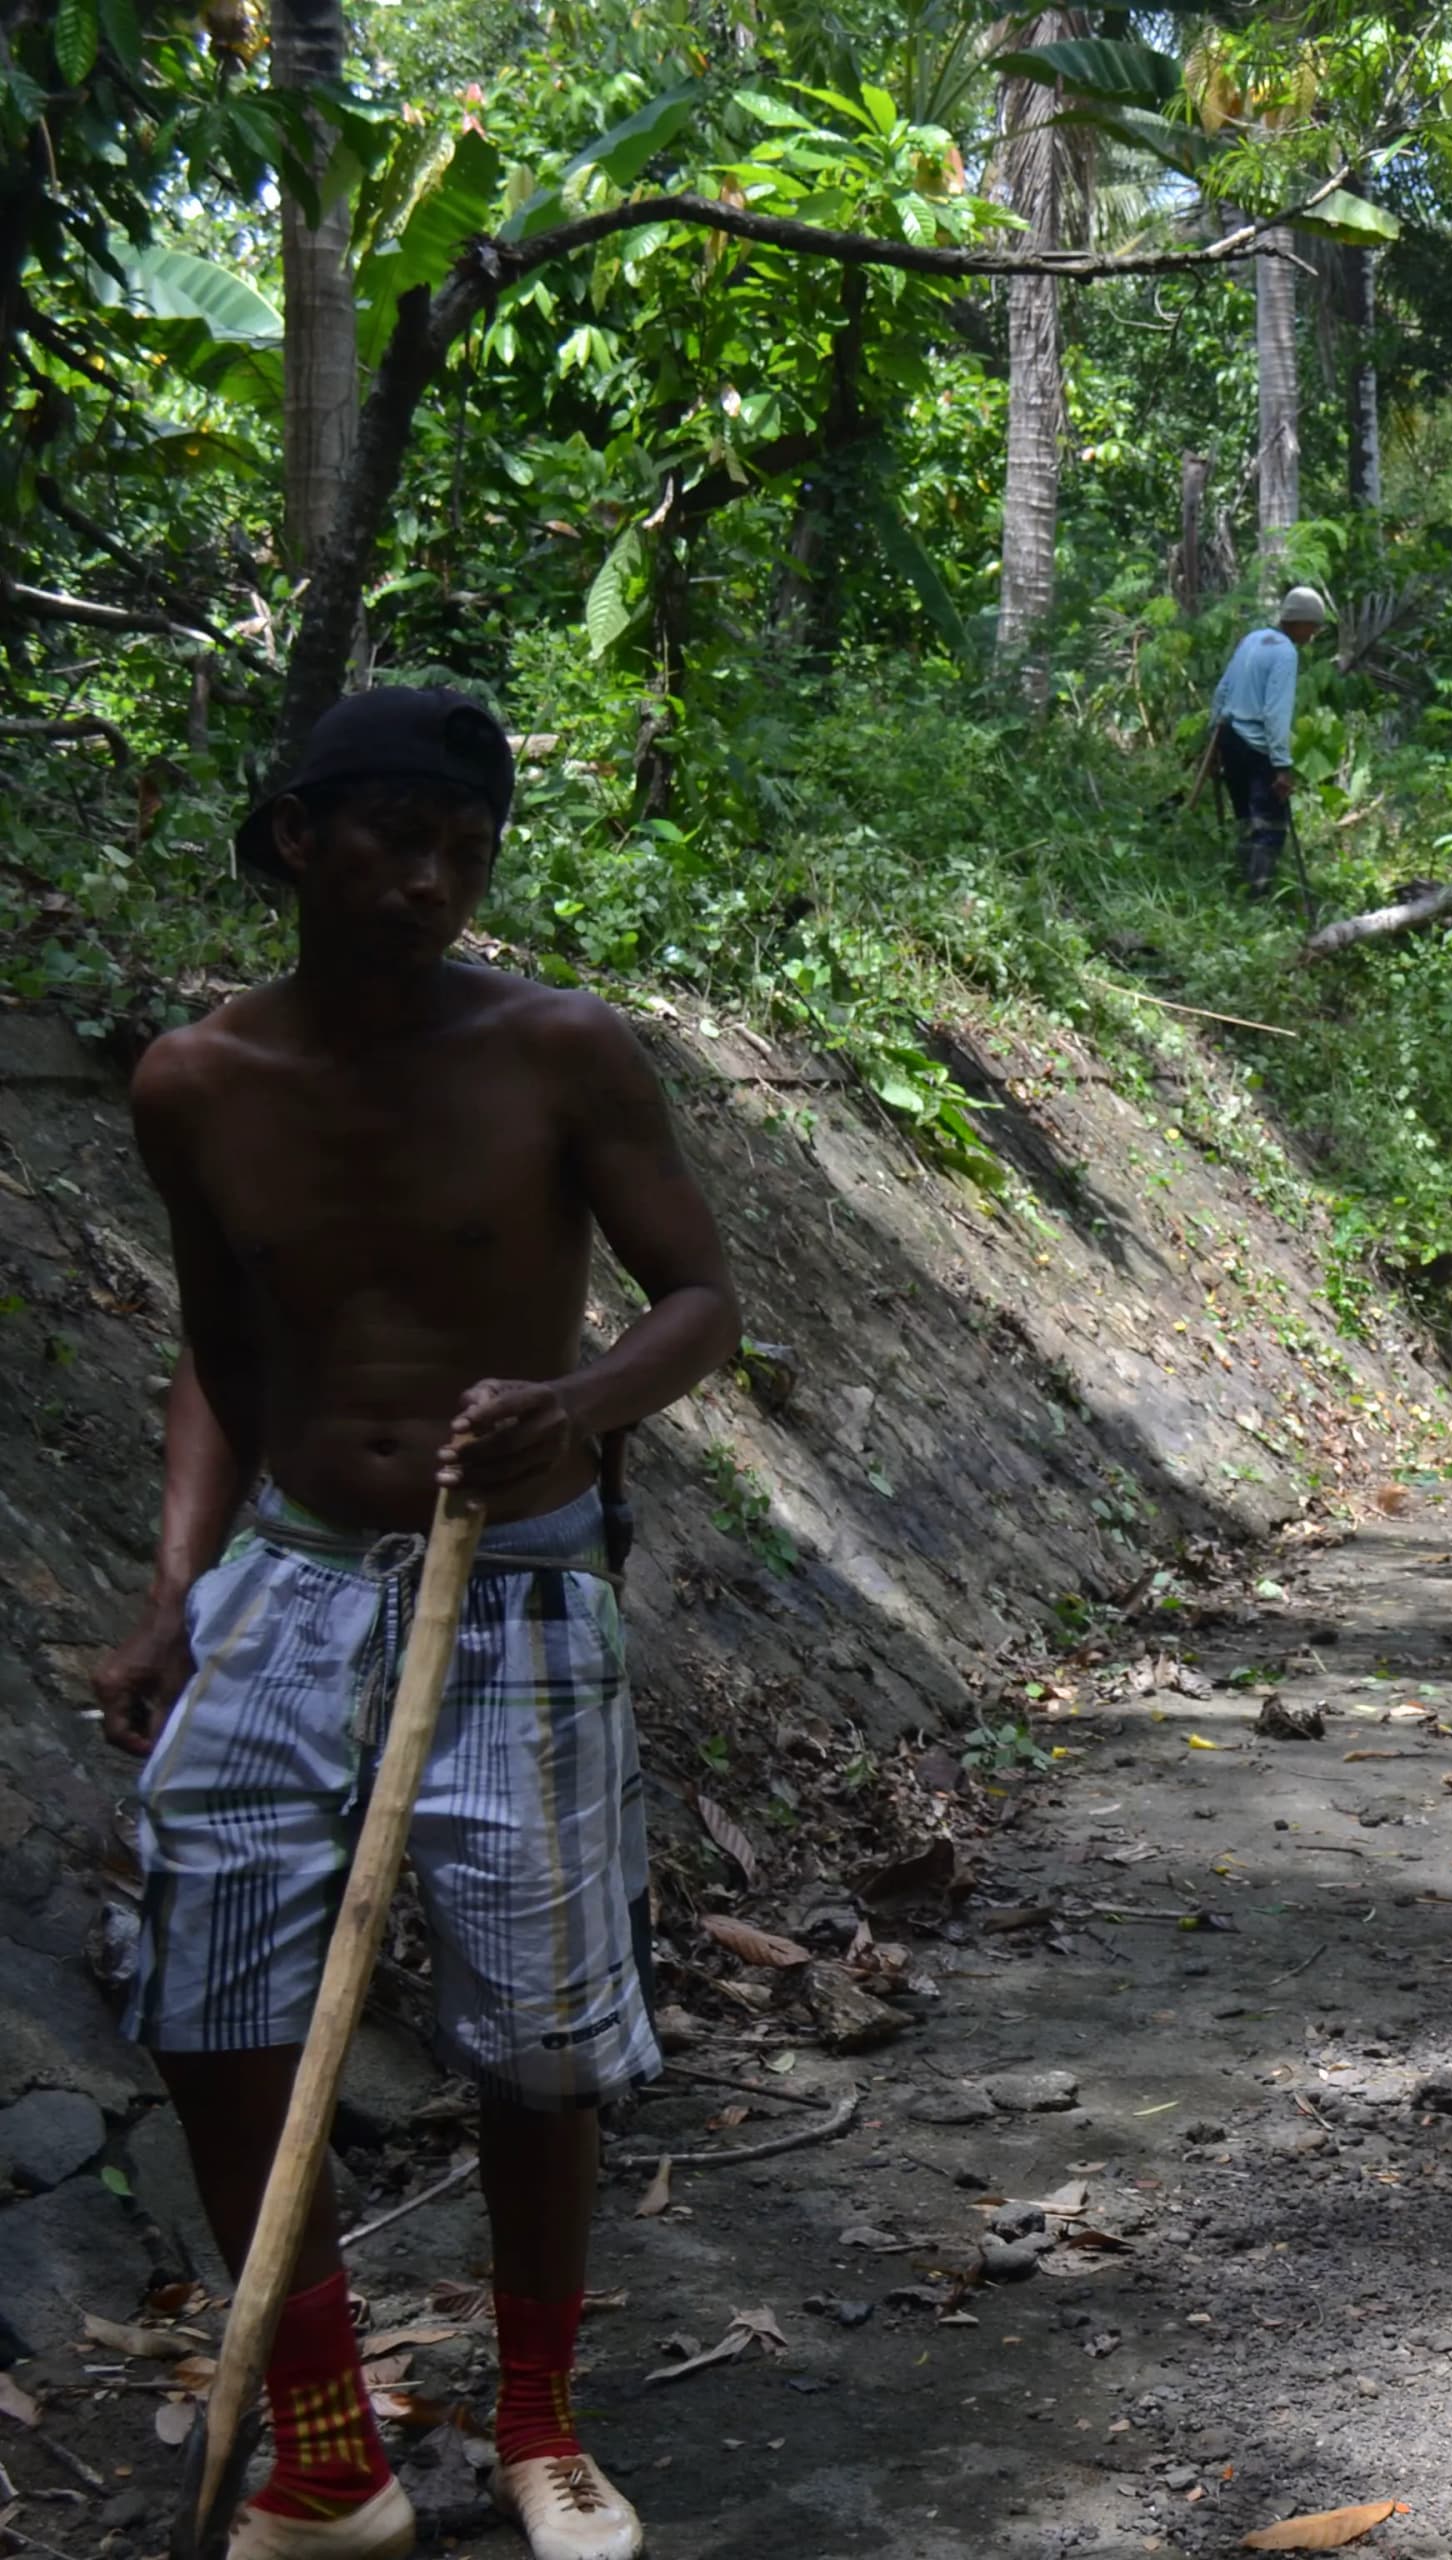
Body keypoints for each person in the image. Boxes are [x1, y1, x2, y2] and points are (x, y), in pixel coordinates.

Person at [92, 688, 742, 2560]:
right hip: (292, 1577)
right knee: (211, 1997)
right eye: (393, 842)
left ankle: (539, 2425)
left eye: (465, 852)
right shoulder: (196, 1083)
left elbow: (699, 1301)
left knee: (538, 2035)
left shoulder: (563, 1054)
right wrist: (172, 1601)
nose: (431, 884)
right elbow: (223, 1355)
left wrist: (577, 1407)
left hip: (516, 1583)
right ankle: (323, 2451)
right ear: (297, 839)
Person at [1211, 584, 1334, 903]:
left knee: (1244, 818)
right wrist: (1282, 766)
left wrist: (1214, 736)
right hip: (1256, 747)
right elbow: (1275, 714)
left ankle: (1239, 887)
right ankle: (1258, 897)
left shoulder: (1251, 640)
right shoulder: (1285, 652)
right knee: (1270, 826)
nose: (1314, 634)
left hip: (1230, 737)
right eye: (1314, 627)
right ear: (1301, 623)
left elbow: (1221, 691)